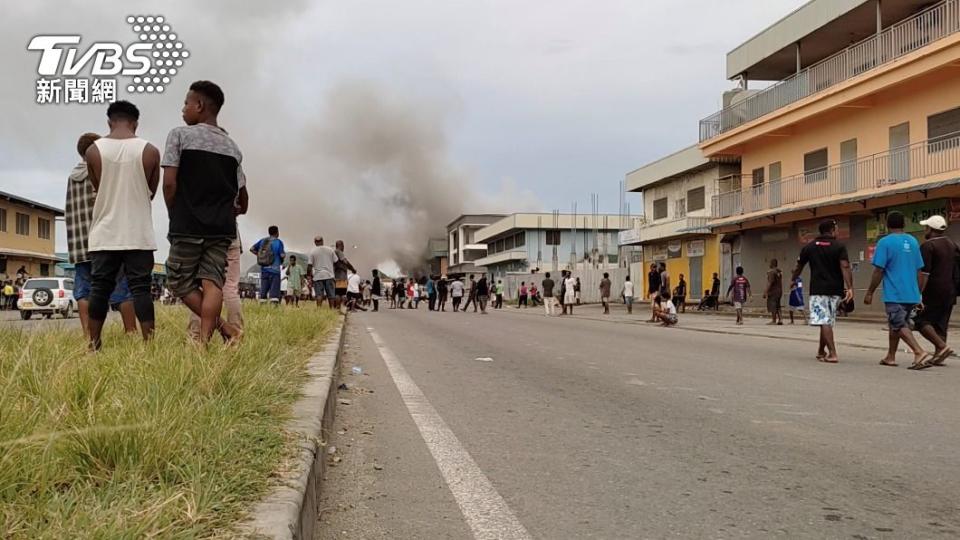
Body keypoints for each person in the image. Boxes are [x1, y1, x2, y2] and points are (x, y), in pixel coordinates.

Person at [84, 100, 159, 351]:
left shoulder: (93, 151)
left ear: (109, 122)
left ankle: (94, 345)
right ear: (136, 123)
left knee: (99, 288)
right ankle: (149, 346)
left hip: (104, 232)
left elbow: (97, 186)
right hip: (138, 232)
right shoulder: (150, 151)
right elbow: (151, 191)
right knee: (141, 289)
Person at [66, 131, 138, 337]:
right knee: (122, 288)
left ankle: (89, 336)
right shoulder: (103, 172)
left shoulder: (72, 177)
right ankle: (131, 333)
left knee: (83, 291)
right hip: (106, 241)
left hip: (80, 244)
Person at [865, 211, 931, 369]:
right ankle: (890, 356)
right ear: (904, 224)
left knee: (898, 323)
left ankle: (918, 352)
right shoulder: (913, 241)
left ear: (888, 225)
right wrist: (919, 293)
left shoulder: (885, 242)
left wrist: (870, 292)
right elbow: (919, 271)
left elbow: (878, 270)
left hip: (895, 293)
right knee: (896, 324)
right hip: (912, 293)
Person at [792, 219, 854, 363]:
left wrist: (793, 279)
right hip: (836, 290)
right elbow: (845, 266)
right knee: (826, 320)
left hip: (818, 289)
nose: (837, 231)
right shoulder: (839, 246)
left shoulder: (810, 247)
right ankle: (821, 351)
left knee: (824, 320)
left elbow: (799, 266)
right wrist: (850, 287)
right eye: (836, 228)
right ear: (832, 230)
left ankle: (832, 353)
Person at [915, 215, 956, 366]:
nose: (925, 230)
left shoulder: (928, 246)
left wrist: (918, 293)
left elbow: (924, 273)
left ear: (931, 229)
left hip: (933, 290)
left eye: (926, 227)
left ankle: (941, 346)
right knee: (941, 322)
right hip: (950, 289)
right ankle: (940, 353)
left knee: (919, 320)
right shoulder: (951, 244)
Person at [250, 226, 285, 305]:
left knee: (263, 291)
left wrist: (259, 256)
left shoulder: (263, 241)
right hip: (275, 270)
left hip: (264, 269)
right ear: (277, 232)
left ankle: (262, 307)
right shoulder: (278, 242)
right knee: (274, 293)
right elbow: (282, 255)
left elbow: (252, 249)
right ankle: (273, 309)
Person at [308, 236, 338, 309]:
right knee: (331, 295)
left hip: (318, 277)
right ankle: (332, 310)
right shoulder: (330, 250)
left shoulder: (313, 251)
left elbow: (309, 266)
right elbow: (336, 261)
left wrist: (309, 277)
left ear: (315, 242)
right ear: (322, 241)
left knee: (319, 295)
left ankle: (319, 311)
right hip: (329, 275)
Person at [333, 240, 356, 311]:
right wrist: (352, 269)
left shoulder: (334, 253)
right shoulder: (338, 252)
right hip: (341, 277)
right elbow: (345, 261)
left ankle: (338, 308)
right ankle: (341, 308)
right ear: (341, 245)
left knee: (337, 293)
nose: (344, 248)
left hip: (336, 276)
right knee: (341, 294)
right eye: (343, 246)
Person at [764, 259, 783, 325]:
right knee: (778, 305)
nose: (769, 264)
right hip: (779, 291)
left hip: (773, 291)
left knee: (773, 305)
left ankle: (774, 320)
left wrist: (765, 291)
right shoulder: (779, 272)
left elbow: (770, 282)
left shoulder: (772, 272)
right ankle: (780, 319)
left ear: (772, 264)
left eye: (770, 263)